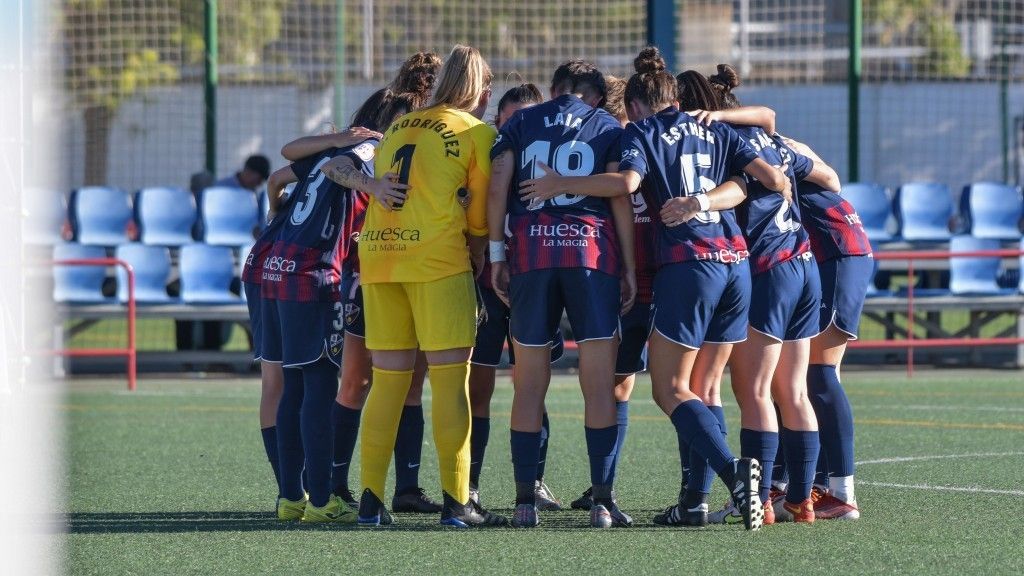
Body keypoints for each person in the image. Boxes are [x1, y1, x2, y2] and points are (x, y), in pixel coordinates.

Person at [520, 48, 783, 531]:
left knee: (667, 389)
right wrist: (705, 198)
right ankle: (692, 501)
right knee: (701, 388)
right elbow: (769, 179)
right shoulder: (716, 130)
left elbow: (626, 183)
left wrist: (561, 184)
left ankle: (727, 482)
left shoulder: (634, 135)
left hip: (670, 271)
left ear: (634, 106)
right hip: (733, 263)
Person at [286, 52, 446, 515]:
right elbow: (300, 170)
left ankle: (407, 488)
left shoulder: (438, 142)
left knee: (411, 385)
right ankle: (336, 483)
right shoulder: (372, 146)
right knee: (355, 380)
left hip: (419, 271)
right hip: (365, 276)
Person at [355, 44, 507, 528]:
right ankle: (457, 503)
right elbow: (481, 209)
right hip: (437, 261)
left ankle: (371, 502)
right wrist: (482, 248)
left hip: (379, 258)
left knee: (388, 384)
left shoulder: (401, 124)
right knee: (449, 381)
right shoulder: (478, 131)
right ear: (481, 90)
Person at [488, 58, 637, 529]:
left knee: (529, 384)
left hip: (531, 255)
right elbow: (620, 195)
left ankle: (523, 503)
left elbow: (497, 185)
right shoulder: (607, 124)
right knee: (599, 384)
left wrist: (496, 255)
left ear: (555, 89)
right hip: (592, 258)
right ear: (595, 95)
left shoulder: (522, 120)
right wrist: (630, 268)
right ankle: (602, 502)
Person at [695, 64, 841, 525]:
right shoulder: (772, 140)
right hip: (804, 265)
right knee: (792, 390)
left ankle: (757, 502)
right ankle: (801, 500)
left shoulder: (725, 145)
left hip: (770, 270)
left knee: (754, 389)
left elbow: (736, 192)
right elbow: (774, 121)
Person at [467, 82, 565, 511]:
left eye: (527, 117)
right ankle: (468, 483)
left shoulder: (551, 158)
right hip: (489, 282)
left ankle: (534, 481)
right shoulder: (484, 153)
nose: (519, 126)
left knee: (532, 383)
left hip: (535, 279)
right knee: (478, 387)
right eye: (510, 119)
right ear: (498, 121)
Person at [569, 74, 643, 512]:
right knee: (616, 385)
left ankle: (606, 486)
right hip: (618, 269)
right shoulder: (613, 143)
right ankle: (604, 486)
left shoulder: (622, 141)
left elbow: (624, 193)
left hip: (627, 272)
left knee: (619, 383)